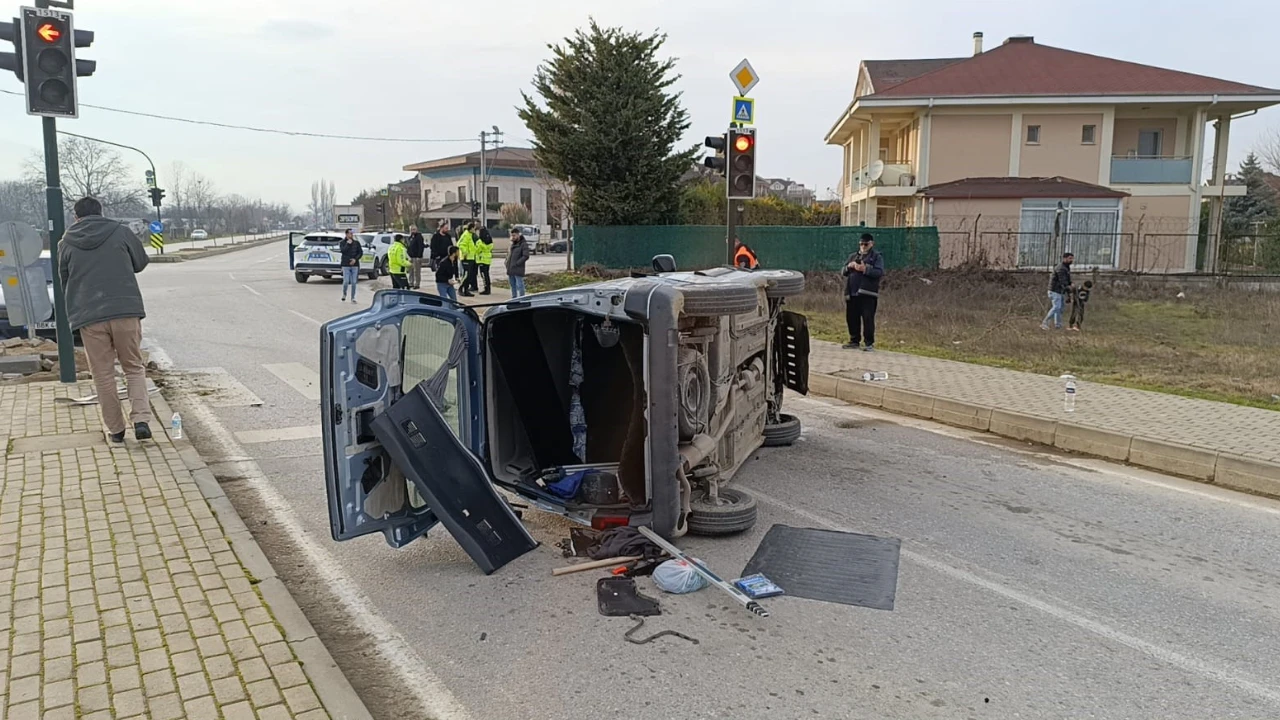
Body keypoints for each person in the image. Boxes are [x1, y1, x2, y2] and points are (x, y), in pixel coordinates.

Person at [59, 196, 153, 443]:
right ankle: (141, 419)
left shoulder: (66, 242)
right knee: (133, 366)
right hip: (125, 309)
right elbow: (141, 262)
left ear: (76, 217)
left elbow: (64, 281)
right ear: (100, 212)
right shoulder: (120, 232)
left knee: (103, 374)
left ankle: (116, 430)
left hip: (90, 316)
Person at [841, 233, 885, 352]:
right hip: (852, 293)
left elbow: (879, 272)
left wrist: (865, 269)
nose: (863, 246)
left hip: (868, 294)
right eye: (861, 244)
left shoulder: (876, 257)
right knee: (851, 317)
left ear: (871, 244)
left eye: (866, 244)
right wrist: (849, 267)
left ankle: (869, 343)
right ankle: (854, 340)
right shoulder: (853, 256)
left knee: (867, 318)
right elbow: (843, 271)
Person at [1042, 252, 1074, 331]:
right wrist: (1069, 288)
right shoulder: (1061, 268)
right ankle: (1045, 323)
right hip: (1055, 291)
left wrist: (1070, 284)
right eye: (1070, 258)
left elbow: (1067, 280)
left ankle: (1058, 325)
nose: (1072, 260)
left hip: (1060, 291)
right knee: (1056, 307)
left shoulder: (1066, 268)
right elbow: (1063, 281)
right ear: (1064, 258)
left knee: (1060, 308)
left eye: (1072, 258)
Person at [339, 229, 363, 303]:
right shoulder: (342, 242)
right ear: (346, 234)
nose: (351, 235)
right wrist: (348, 244)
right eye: (350, 233)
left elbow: (360, 252)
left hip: (355, 265)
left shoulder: (356, 243)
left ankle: (353, 297)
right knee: (346, 281)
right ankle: (344, 294)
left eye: (352, 233)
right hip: (346, 264)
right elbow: (343, 251)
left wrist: (355, 259)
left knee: (354, 282)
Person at [506, 228, 530, 298]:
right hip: (511, 268)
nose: (513, 237)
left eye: (514, 235)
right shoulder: (512, 245)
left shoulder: (523, 244)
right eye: (512, 236)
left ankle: (522, 298)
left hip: (518, 268)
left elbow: (526, 256)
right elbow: (509, 255)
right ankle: (514, 298)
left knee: (520, 285)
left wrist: (517, 263)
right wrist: (507, 263)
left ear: (518, 235)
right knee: (512, 285)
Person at [457, 222, 477, 297]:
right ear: (471, 228)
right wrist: (465, 253)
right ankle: (460, 288)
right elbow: (460, 244)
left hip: (471, 258)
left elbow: (471, 246)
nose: (475, 230)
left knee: (470, 275)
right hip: (466, 258)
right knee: (466, 275)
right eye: (474, 228)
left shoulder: (470, 235)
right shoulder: (466, 235)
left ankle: (466, 290)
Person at [406, 225, 426, 289]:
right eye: (411, 229)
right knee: (410, 271)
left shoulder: (419, 237)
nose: (413, 231)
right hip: (411, 256)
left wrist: (419, 256)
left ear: (416, 230)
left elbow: (421, 247)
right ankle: (411, 283)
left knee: (416, 271)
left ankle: (417, 284)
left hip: (417, 257)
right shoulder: (410, 237)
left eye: (414, 229)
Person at [476, 226, 494, 295]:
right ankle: (488, 288)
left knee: (483, 275)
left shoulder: (479, 242)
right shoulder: (490, 240)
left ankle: (486, 289)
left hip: (481, 259)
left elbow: (477, 250)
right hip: (487, 260)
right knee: (487, 274)